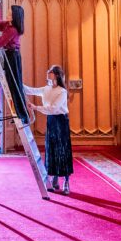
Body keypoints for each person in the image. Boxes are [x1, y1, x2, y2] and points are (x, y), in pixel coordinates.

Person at [24, 65, 74, 194]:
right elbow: (30, 90)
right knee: (51, 149)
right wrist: (16, 80)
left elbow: (54, 108)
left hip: (61, 121)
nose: (47, 73)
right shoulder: (46, 89)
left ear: (56, 75)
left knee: (62, 150)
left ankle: (66, 182)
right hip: (51, 121)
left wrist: (36, 107)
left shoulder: (62, 91)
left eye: (50, 72)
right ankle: (55, 178)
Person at [0, 5, 28, 124]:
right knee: (13, 85)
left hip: (12, 58)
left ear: (15, 16)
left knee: (14, 85)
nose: (7, 13)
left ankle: (21, 114)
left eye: (10, 12)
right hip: (10, 56)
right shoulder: (8, 25)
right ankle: (20, 113)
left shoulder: (12, 30)